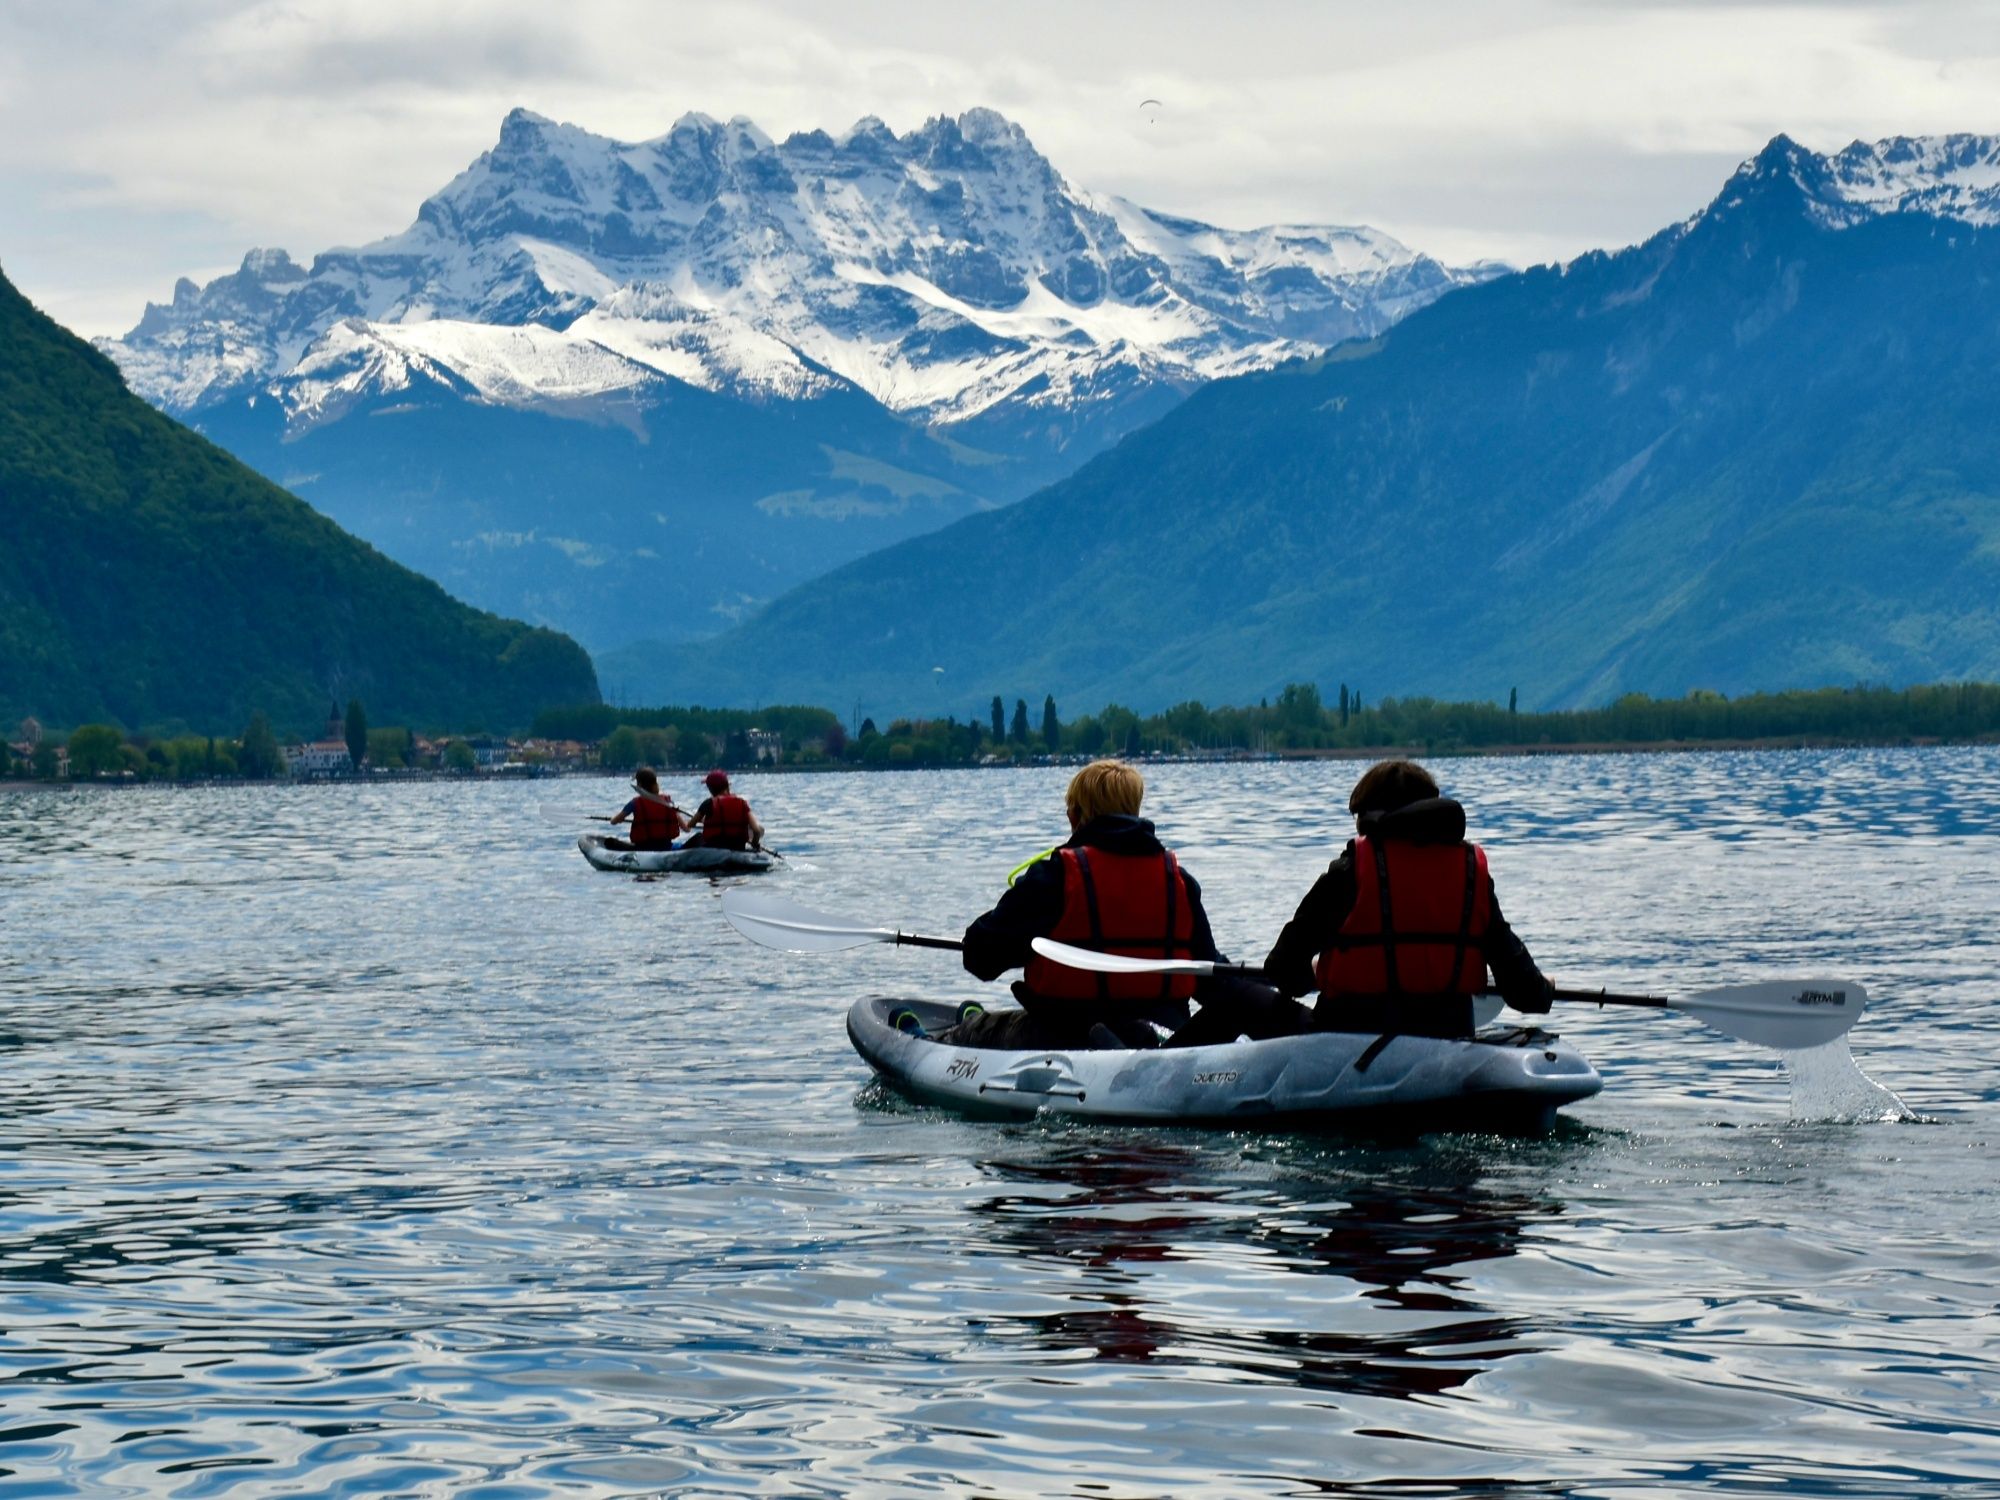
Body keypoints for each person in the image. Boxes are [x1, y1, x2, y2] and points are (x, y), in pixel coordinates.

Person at [945, 758, 1235, 1050]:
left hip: (1063, 1038)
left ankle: (929, 1033)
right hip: (1164, 1036)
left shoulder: (1055, 878)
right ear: (1134, 810)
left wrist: (1022, 928)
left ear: (1076, 816)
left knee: (969, 1033)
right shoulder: (1180, 882)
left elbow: (979, 958)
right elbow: (1212, 982)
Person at [1260, 758, 1553, 1038]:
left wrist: (1317, 974)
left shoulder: (1350, 872)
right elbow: (1524, 992)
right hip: (1447, 1034)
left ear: (1372, 820)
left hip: (1348, 1039)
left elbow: (1282, 971)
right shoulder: (1471, 876)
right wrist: (1544, 989)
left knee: (1246, 1001)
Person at [604, 766, 686, 851]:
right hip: (666, 846)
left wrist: (615, 819)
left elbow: (614, 821)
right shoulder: (668, 802)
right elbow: (685, 828)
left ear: (639, 785)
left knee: (609, 842)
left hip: (643, 848)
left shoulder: (634, 803)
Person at [684, 769, 764, 851]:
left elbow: (690, 825)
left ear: (710, 789)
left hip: (714, 848)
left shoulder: (708, 803)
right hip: (738, 847)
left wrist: (702, 821)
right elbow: (756, 831)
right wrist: (755, 844)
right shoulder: (742, 803)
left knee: (698, 836)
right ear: (727, 785)